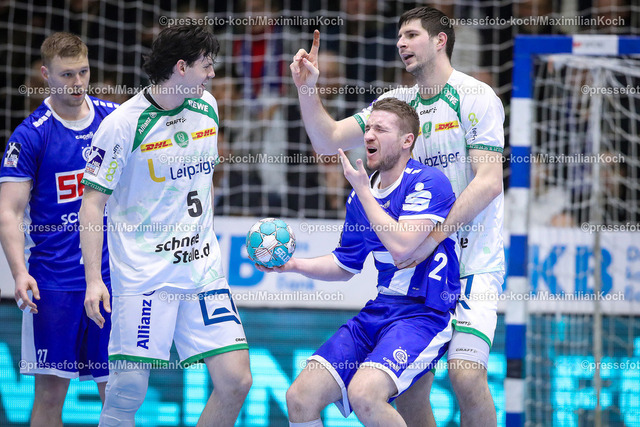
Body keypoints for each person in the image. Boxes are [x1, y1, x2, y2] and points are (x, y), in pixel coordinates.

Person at [290, 6, 505, 426]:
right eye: (399, 36)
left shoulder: (475, 96)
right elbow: (328, 139)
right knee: (408, 395)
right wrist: (307, 89)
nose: (401, 43)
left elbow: (489, 182)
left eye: (411, 35)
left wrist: (432, 238)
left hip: (471, 263)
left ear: (440, 40)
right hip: (414, 275)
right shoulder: (396, 107)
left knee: (466, 376)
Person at [78, 25, 252, 426]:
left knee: (236, 381)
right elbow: (92, 204)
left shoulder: (207, 106)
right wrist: (93, 280)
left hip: (201, 271)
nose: (212, 74)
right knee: (127, 393)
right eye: (206, 65)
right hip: (145, 276)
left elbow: (203, 180)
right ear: (181, 67)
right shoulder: (123, 125)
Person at [258, 98, 460, 426]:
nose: (368, 135)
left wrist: (365, 192)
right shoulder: (359, 195)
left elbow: (402, 247)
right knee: (300, 397)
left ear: (407, 140)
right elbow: (344, 265)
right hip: (380, 309)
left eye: (381, 129)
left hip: (422, 315)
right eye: (367, 128)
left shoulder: (427, 182)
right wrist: (293, 265)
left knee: (365, 395)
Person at [0, 32, 115, 426]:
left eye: (83, 72)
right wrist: (19, 273)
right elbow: (9, 211)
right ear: (45, 74)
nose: (77, 83)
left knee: (117, 394)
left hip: (111, 279)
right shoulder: (31, 134)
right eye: (67, 75)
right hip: (53, 284)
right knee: (50, 396)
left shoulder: (113, 119)